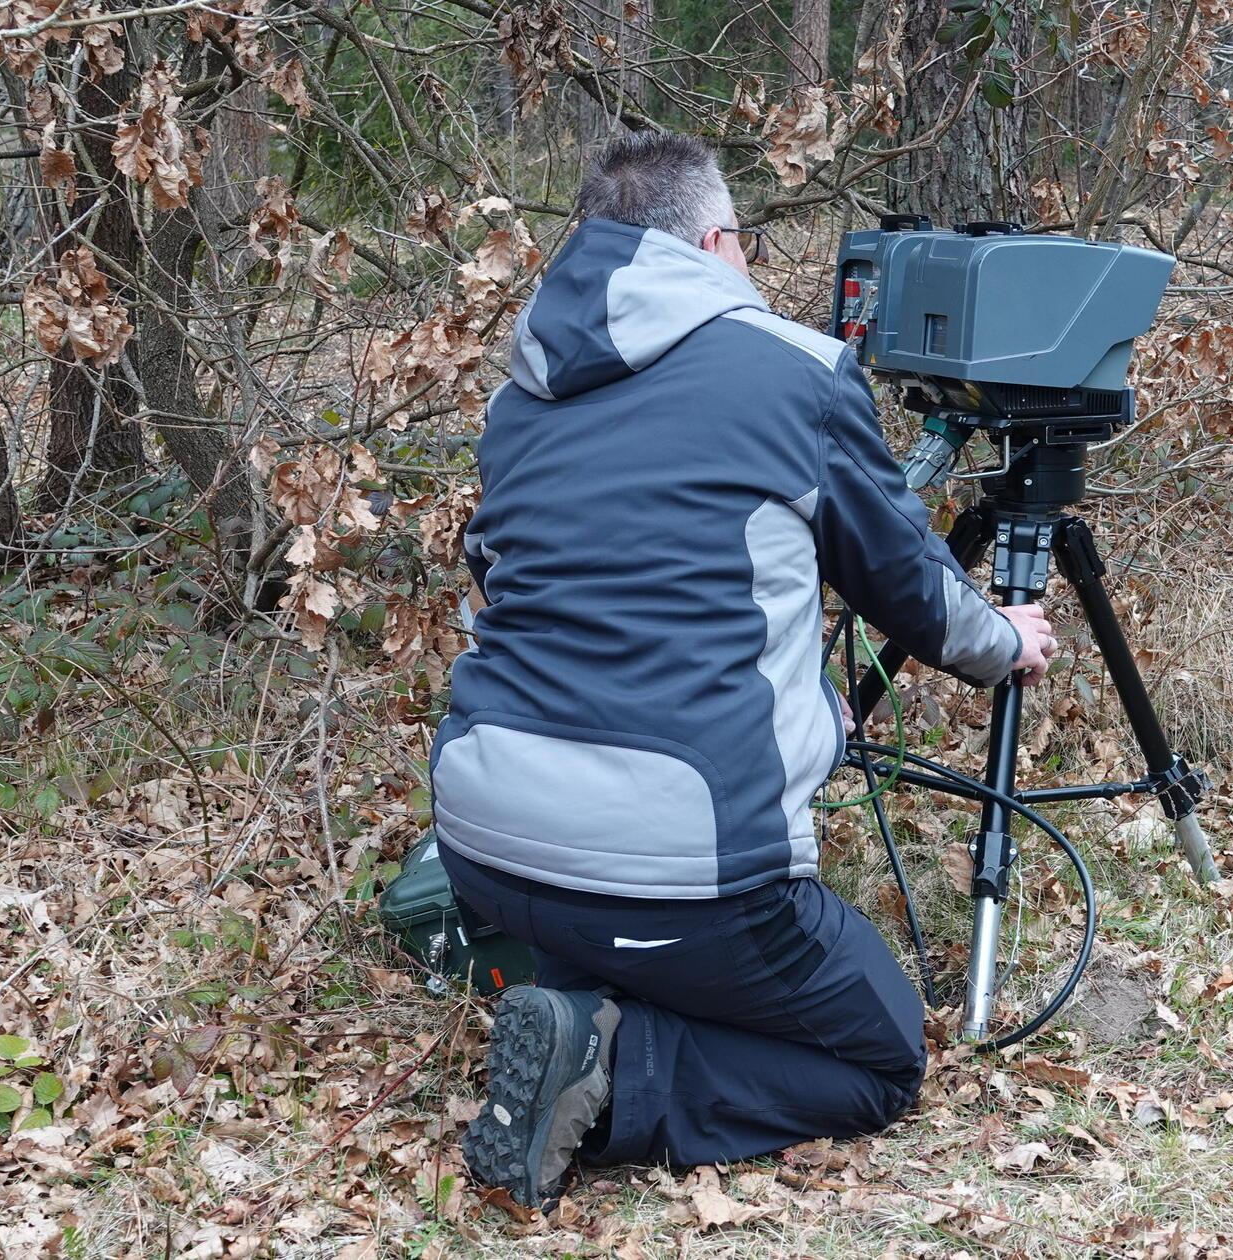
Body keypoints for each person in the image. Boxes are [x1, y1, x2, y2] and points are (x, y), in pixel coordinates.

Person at [430, 130, 1057, 1207]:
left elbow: (543, 591)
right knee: (878, 1052)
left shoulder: (517, 395)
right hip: (684, 871)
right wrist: (1008, 642)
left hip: (488, 846)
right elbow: (908, 590)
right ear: (716, 240)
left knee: (626, 930)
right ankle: (612, 1067)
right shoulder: (794, 371)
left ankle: (584, 999)